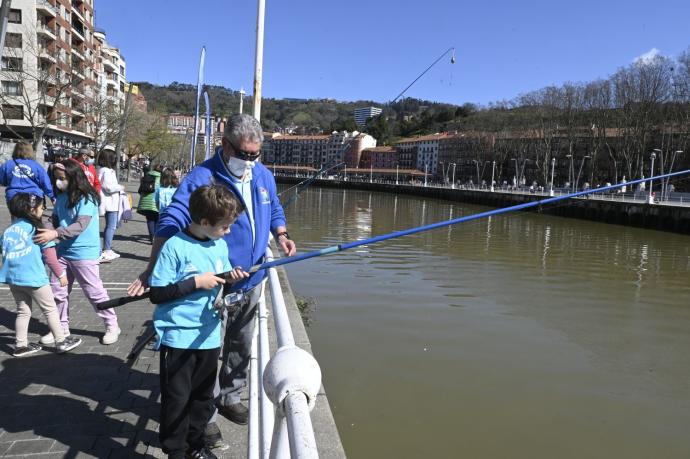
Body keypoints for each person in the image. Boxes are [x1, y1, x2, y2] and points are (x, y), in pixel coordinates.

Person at [128, 114, 296, 447]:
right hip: (215, 285)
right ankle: (206, 418)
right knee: (209, 350)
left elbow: (274, 206)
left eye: (255, 154)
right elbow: (171, 220)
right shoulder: (202, 176)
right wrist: (152, 268)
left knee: (242, 345)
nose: (249, 161)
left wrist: (281, 234)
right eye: (244, 154)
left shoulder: (262, 175)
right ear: (225, 145)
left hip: (252, 278)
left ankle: (231, 395)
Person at [150, 184, 248, 459]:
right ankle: (176, 452)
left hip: (209, 335)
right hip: (179, 338)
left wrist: (229, 277)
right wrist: (195, 282)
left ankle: (196, 447)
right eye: (225, 227)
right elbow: (157, 294)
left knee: (202, 399)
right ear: (204, 222)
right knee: (177, 401)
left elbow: (218, 280)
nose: (228, 232)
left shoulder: (218, 244)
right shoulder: (175, 247)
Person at [34, 160, 120, 345]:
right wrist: (46, 229)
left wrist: (55, 233)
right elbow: (54, 218)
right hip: (62, 252)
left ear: (74, 177)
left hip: (83, 254)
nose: (58, 182)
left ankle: (112, 325)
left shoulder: (86, 198)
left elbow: (80, 225)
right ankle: (60, 328)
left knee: (94, 292)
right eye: (56, 178)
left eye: (62, 178)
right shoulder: (62, 198)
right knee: (58, 291)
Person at [0, 193, 83, 356]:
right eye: (41, 206)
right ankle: (61, 341)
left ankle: (21, 345)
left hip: (13, 279)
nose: (43, 209)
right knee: (50, 309)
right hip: (35, 278)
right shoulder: (40, 229)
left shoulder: (8, 231)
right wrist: (61, 274)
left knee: (23, 311)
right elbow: (50, 257)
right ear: (31, 209)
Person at [97, 149, 125, 262]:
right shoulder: (107, 171)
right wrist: (121, 187)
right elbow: (109, 187)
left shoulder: (102, 170)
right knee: (111, 226)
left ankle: (107, 248)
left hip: (108, 202)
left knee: (110, 226)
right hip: (110, 202)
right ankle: (107, 249)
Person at [137, 165, 161, 242]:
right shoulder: (161, 178)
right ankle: (155, 236)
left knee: (150, 219)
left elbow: (140, 190)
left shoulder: (146, 177)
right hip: (156, 203)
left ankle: (152, 237)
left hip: (145, 203)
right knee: (157, 219)